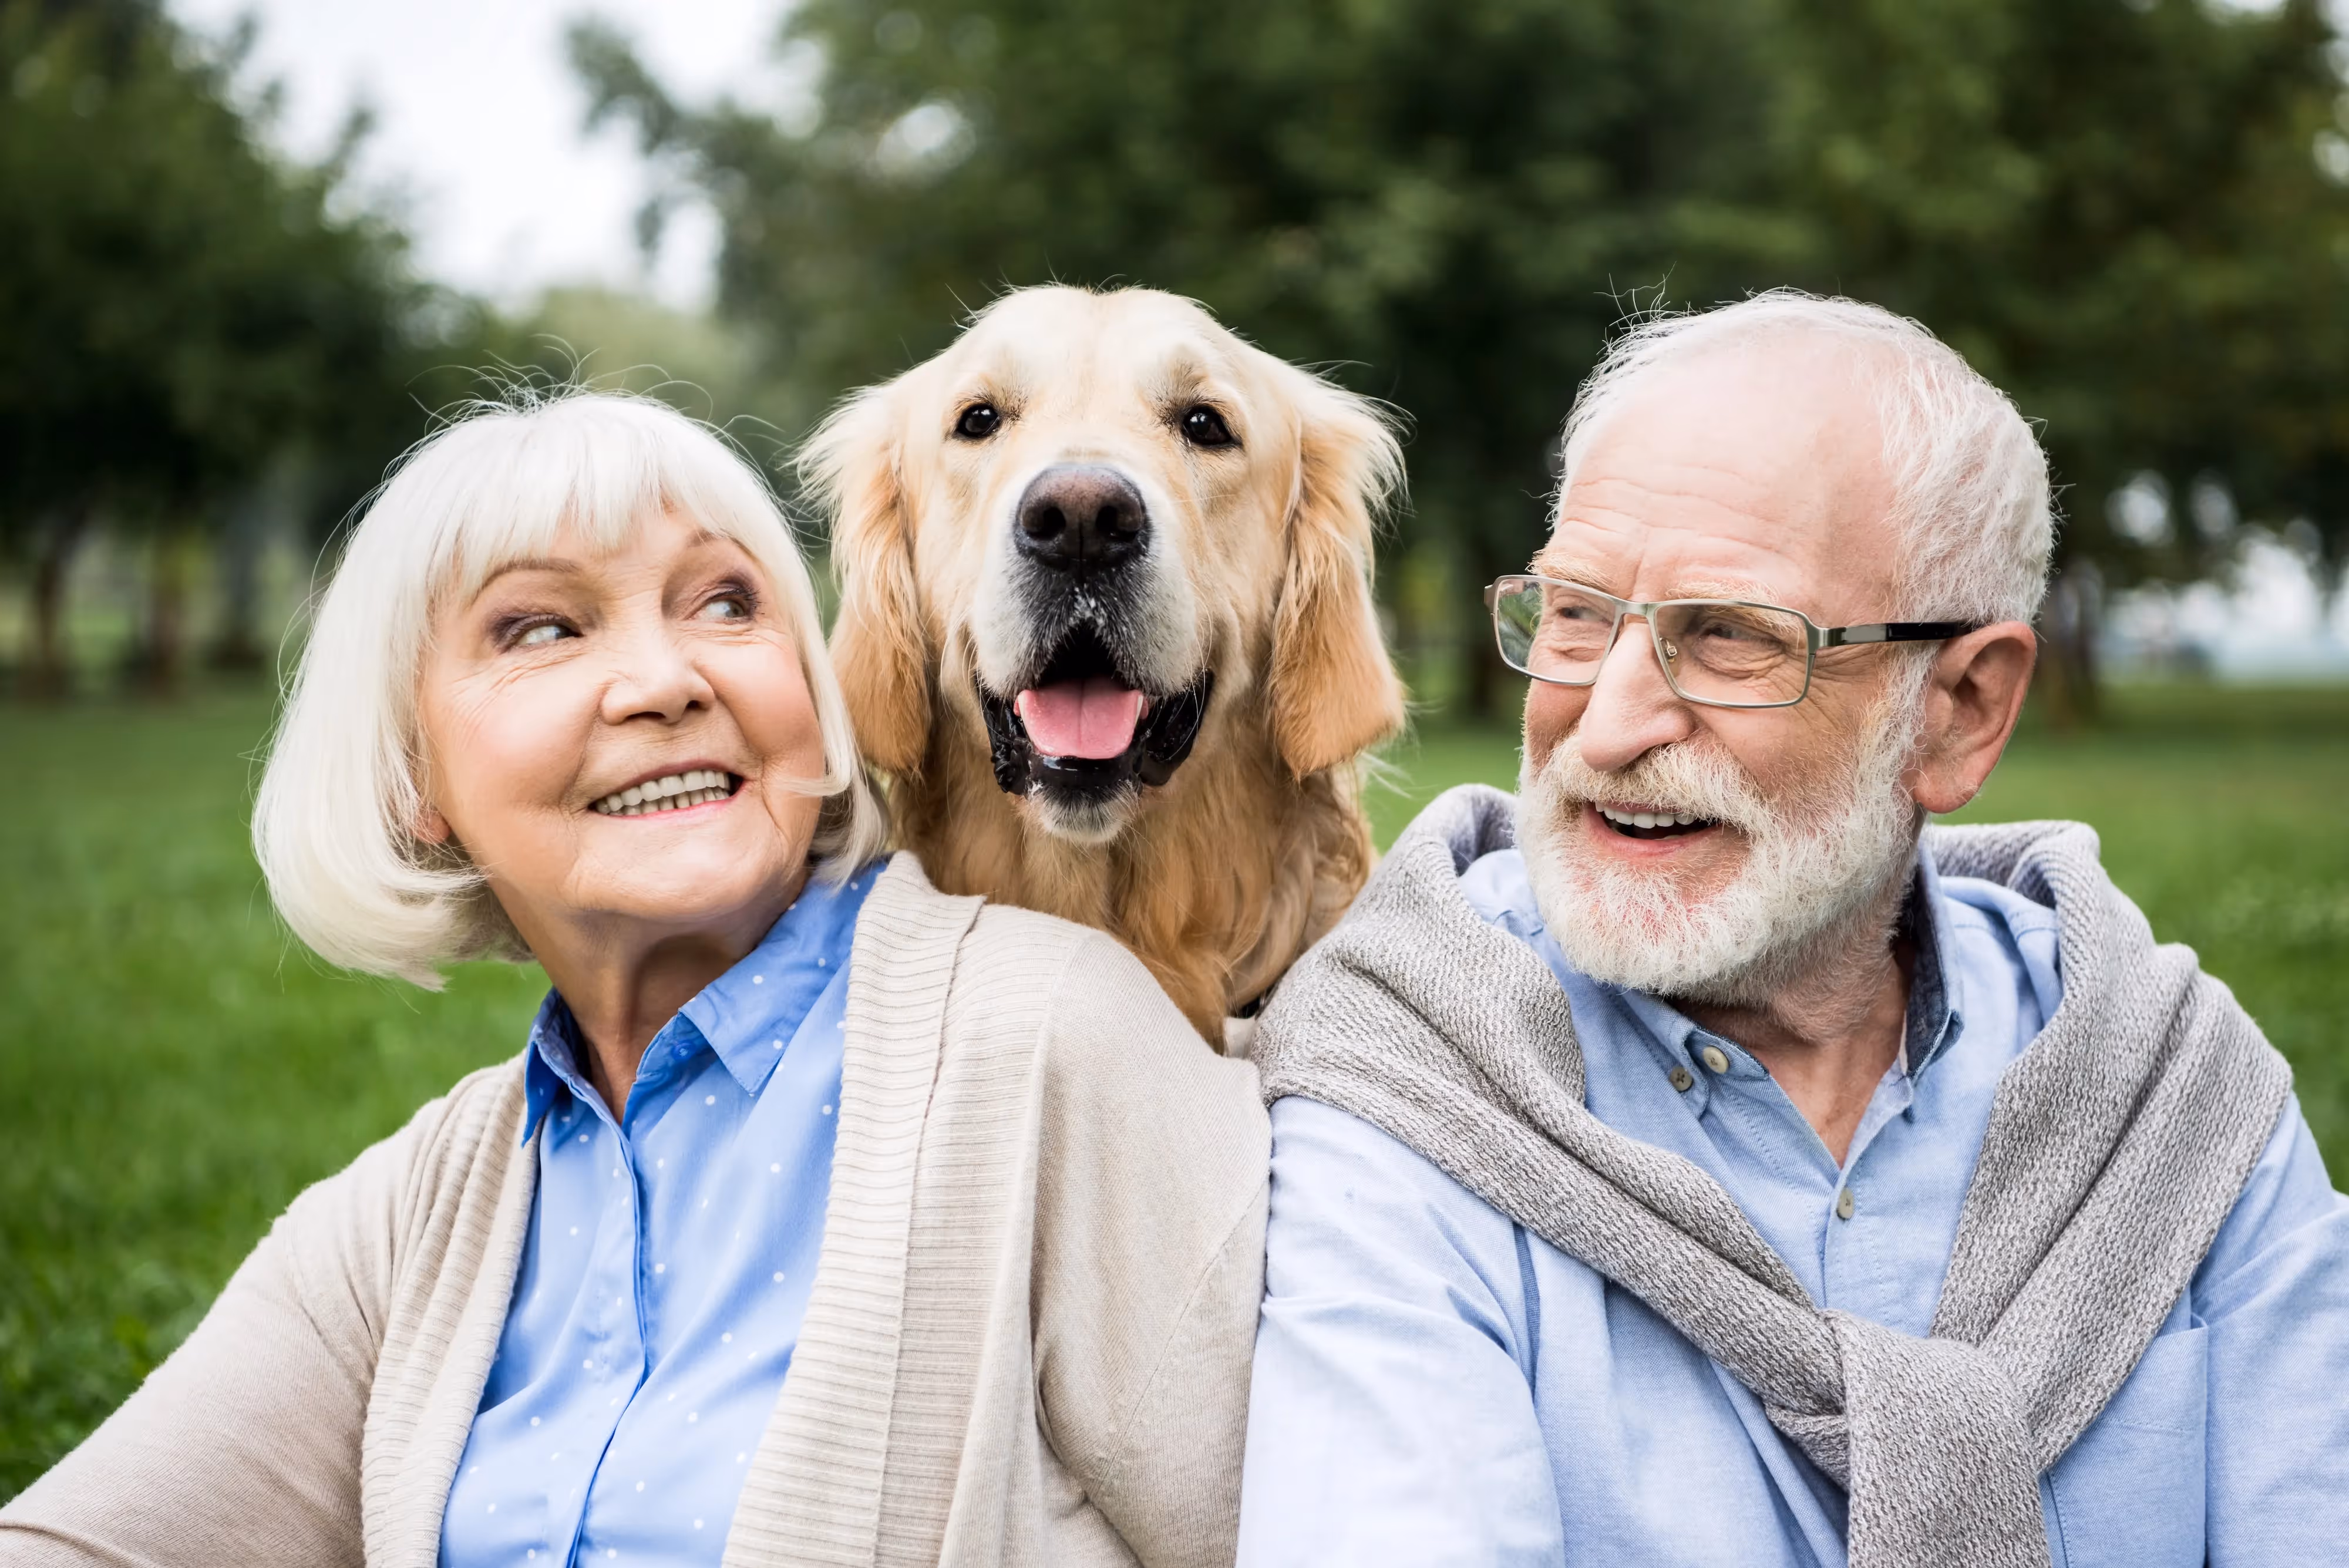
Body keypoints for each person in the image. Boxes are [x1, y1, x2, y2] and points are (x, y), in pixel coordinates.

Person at [0, 391, 1267, 1568]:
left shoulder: (1049, 1043)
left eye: (726, 605)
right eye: (540, 627)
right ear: (413, 784)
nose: (667, 682)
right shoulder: (415, 1220)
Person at [1236, 292, 2349, 1567]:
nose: (1601, 729)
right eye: (1576, 615)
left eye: (1727, 637)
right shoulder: (1405, 1082)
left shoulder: (2172, 1093)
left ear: (1960, 713)